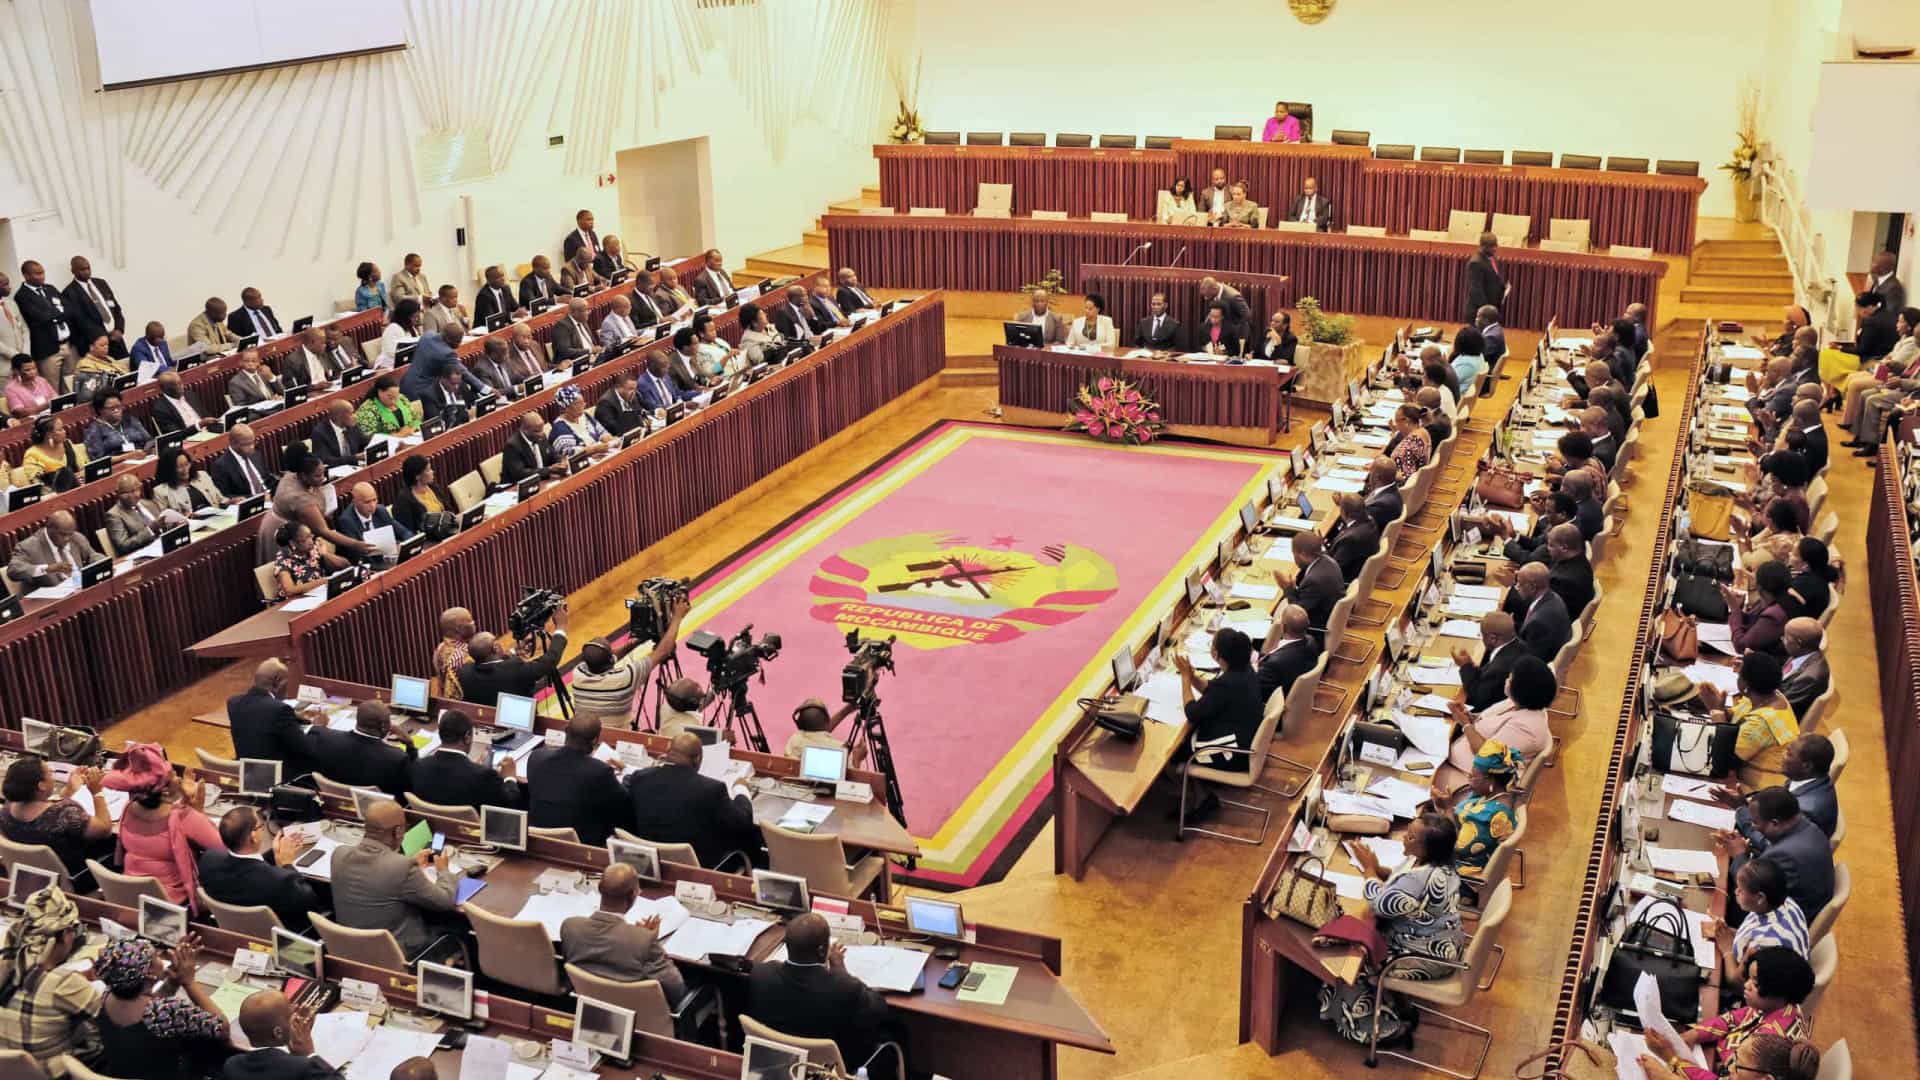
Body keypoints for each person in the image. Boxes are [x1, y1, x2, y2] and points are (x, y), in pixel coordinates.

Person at [1320, 813, 1467, 1046]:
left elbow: (1378, 903)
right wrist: (1378, 869)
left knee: (1352, 961)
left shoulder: (1418, 881)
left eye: (1411, 837)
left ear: (1427, 848)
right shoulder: (1438, 864)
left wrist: (1369, 870)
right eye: (1408, 832)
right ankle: (1400, 1005)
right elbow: (1399, 881)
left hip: (1426, 957)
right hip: (1443, 942)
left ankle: (1377, 1029)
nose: (1404, 838)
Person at [746, 913, 896, 1074]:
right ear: (822, 951)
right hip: (831, 1071)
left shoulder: (760, 975)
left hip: (778, 1067)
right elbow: (879, 1009)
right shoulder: (844, 987)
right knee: (895, 1032)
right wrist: (841, 971)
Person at [1642, 947, 1814, 1080]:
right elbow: (1733, 1018)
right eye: (1748, 978)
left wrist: (1673, 1061)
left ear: (1779, 992)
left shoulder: (1769, 1041)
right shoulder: (1779, 1007)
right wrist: (1694, 1035)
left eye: (1755, 983)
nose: (1746, 985)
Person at [331, 799, 458, 960]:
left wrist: (409, 863)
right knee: (459, 930)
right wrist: (444, 870)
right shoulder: (402, 867)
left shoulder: (339, 854)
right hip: (399, 954)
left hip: (350, 950)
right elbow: (445, 901)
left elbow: (379, 873)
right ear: (398, 831)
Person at [94, 936, 231, 1080]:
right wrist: (189, 982)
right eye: (156, 957)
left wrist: (173, 982)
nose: (161, 959)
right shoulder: (164, 1010)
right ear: (149, 974)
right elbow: (222, 1029)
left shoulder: (107, 995)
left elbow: (155, 1006)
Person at [107, 745, 224, 909]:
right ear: (165, 791)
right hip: (171, 905)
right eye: (174, 775)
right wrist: (198, 810)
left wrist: (186, 803)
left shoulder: (128, 808)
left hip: (131, 897)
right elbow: (225, 848)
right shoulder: (183, 817)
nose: (179, 778)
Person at [0, 885, 101, 1066]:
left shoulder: (9, 963)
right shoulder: (64, 983)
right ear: (66, 934)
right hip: (51, 1072)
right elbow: (110, 1018)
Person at [625, 732, 760, 867]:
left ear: (668, 752)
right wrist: (741, 789)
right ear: (698, 759)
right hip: (698, 868)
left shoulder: (640, 777)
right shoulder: (713, 789)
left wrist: (653, 769)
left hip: (648, 863)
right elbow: (744, 822)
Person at [559, 863, 686, 1002]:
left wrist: (641, 937)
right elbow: (677, 990)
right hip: (636, 1010)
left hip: (587, 1004)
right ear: (632, 895)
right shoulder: (644, 941)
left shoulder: (570, 927)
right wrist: (653, 942)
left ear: (599, 888)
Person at [1171, 628, 1263, 818]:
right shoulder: (1246, 671)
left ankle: (1197, 800)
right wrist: (1191, 675)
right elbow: (1212, 690)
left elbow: (1192, 712)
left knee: (1174, 752)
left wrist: (1185, 679)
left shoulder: (1227, 683)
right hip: (1246, 740)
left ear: (1217, 655)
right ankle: (1201, 793)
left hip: (1233, 754)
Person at [1432, 655, 1555, 796]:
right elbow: (1491, 719)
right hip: (1453, 759)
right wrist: (1472, 717)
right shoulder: (1520, 702)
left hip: (1469, 781)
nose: (1506, 680)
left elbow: (1486, 755)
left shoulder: (1527, 728)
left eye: (1510, 679)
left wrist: (1465, 724)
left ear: (1522, 690)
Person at [198, 807, 321, 934]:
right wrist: (286, 864)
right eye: (260, 826)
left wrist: (274, 853)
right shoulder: (281, 881)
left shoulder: (208, 860)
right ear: (253, 836)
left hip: (237, 934)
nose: (262, 829)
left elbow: (249, 867)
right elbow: (309, 902)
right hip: (283, 937)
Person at [573, 596, 689, 728]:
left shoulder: (578, 673)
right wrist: (677, 618)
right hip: (618, 737)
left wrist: (636, 642)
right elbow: (663, 651)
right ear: (611, 659)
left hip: (587, 731)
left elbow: (607, 656)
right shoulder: (625, 678)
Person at [257, 444, 373, 565]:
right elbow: (325, 532)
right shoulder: (301, 501)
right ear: (303, 476)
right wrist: (357, 544)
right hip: (282, 533)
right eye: (318, 476)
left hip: (296, 527)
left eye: (323, 473)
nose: (323, 478)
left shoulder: (295, 473)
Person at [526, 715, 632, 846]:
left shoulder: (536, 757)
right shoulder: (600, 771)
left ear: (566, 731)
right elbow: (625, 799)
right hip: (584, 846)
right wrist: (626, 771)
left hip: (538, 841)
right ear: (595, 740)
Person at [1703, 860, 1808, 987]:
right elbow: (1753, 933)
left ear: (1760, 898)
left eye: (1741, 890)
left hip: (1763, 993)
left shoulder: (1766, 942)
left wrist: (1727, 949)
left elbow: (1736, 982)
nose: (1736, 892)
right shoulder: (1786, 903)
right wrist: (1726, 932)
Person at [1721, 733, 1839, 844]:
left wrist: (1741, 810)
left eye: (1788, 754)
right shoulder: (1809, 778)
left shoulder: (1805, 810)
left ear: (1806, 766)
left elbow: (1769, 844)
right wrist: (1747, 805)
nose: (1782, 756)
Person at [1, 758, 110, 877]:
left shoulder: (7, 809)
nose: (53, 777)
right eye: (50, 773)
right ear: (42, 785)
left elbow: (50, 807)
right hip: (73, 877)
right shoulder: (65, 813)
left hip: (27, 875)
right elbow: (104, 829)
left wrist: (70, 789)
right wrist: (97, 792)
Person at [406, 709, 521, 812]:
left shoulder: (418, 766)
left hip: (431, 826)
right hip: (470, 829)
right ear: (467, 737)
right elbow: (509, 805)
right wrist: (510, 777)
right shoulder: (484, 776)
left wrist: (475, 767)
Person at [220, 989, 342, 1079]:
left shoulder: (232, 1065)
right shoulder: (303, 1067)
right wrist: (309, 1054)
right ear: (278, 1033)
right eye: (291, 1015)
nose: (295, 1015)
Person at [227, 660, 319, 777]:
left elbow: (260, 716)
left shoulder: (233, 703)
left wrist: (292, 716)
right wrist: (316, 726)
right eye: (286, 683)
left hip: (248, 774)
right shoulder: (279, 709)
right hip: (278, 777)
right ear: (278, 683)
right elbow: (304, 747)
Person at [456, 613, 569, 707]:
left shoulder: (465, 672)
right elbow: (550, 659)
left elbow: (494, 665)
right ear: (495, 647)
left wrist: (514, 651)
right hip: (518, 722)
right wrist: (561, 627)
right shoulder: (515, 668)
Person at [1452, 741, 1522, 888]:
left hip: (1463, 876)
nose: (1469, 781)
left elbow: (1457, 848)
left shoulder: (1489, 816)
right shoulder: (1496, 795)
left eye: (1473, 777)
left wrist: (1446, 809)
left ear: (1490, 780)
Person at [7, 510, 101, 588]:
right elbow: (13, 569)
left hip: (79, 590)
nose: (67, 539)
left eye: (70, 534)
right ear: (49, 528)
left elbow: (92, 555)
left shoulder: (75, 537)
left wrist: (103, 563)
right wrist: (48, 568)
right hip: (48, 599)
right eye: (63, 534)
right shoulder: (29, 546)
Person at [13, 260, 73, 382]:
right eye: (37, 274)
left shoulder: (50, 289)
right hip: (47, 350)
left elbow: (69, 309)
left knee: (71, 382)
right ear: (26, 276)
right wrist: (59, 312)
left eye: (42, 272)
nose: (42, 276)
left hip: (66, 344)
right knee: (53, 386)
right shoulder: (22, 296)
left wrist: (54, 315)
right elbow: (41, 317)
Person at [1453, 611, 1522, 712]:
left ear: (1492, 638)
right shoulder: (1518, 645)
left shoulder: (1499, 668)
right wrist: (1471, 665)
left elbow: (1477, 697)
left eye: (1482, 635)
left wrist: (1465, 666)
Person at [1274, 529, 1342, 631]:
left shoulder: (1314, 581)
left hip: (1315, 626)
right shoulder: (1328, 560)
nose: (1294, 558)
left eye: (1294, 554)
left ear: (1303, 555)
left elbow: (1296, 614)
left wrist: (1287, 588)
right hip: (1324, 612)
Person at [1504, 561, 1572, 662]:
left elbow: (1526, 661)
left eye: (1519, 584)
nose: (1517, 588)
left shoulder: (1539, 622)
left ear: (1532, 587)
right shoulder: (1552, 597)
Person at [1725, 561, 1793, 658]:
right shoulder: (1781, 600)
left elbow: (1741, 645)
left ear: (1760, 587)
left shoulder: (1774, 615)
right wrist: (1738, 606)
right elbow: (1752, 622)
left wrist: (1734, 609)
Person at [105, 473, 186, 554]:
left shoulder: (147, 503)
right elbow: (123, 546)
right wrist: (150, 529)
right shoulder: (114, 515)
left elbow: (163, 524)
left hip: (168, 544)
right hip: (146, 553)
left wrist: (176, 524)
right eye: (132, 491)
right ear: (121, 494)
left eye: (137, 489)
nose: (137, 494)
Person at [1255, 604, 1320, 704]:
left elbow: (1258, 691)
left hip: (1273, 702)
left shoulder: (1272, 664)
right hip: (1294, 691)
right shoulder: (1311, 641)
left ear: (1284, 627)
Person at [62, 256, 125, 359]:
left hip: (116, 338)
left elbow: (116, 308)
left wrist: (119, 329)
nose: (86, 272)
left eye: (88, 268)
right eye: (82, 269)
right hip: (95, 345)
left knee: (124, 366)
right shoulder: (69, 293)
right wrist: (104, 337)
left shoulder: (101, 283)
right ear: (73, 271)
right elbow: (81, 321)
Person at [786, 692, 869, 766]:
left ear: (800, 723)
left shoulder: (794, 741)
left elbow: (819, 732)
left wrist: (846, 710)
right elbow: (854, 778)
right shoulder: (840, 751)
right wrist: (857, 759)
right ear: (826, 721)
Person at [1773, 618, 1830, 720]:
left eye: (1785, 637)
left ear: (1798, 644)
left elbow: (1778, 709)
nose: (1782, 639)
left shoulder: (1809, 678)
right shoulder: (1803, 653)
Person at [393, 454, 455, 538]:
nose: (432, 472)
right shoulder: (403, 500)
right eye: (428, 470)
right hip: (428, 540)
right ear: (417, 476)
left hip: (447, 531)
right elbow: (408, 532)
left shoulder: (433, 487)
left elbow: (449, 510)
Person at [1325, 492, 1379, 581]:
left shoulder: (1350, 539)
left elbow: (1334, 567)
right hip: (1360, 567)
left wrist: (1320, 551)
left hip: (1346, 578)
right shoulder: (1370, 520)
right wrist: (1342, 504)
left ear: (1343, 512)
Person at [1545, 521, 1595, 617]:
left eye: (1551, 545)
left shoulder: (1564, 581)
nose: (1548, 548)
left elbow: (1543, 608)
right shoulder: (1580, 559)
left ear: (1564, 548)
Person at [154, 447, 223, 515]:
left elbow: (220, 499)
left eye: (187, 464)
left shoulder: (202, 475)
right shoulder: (160, 492)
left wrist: (227, 502)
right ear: (168, 469)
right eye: (179, 467)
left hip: (217, 517)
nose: (185, 469)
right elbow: (166, 520)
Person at [500, 411, 563, 484]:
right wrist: (549, 470)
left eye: (541, 430)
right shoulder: (512, 446)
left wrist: (561, 461)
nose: (541, 434)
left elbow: (552, 454)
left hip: (542, 481)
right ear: (524, 430)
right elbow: (520, 473)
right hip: (518, 486)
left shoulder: (542, 437)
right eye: (536, 431)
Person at [309, 400, 369, 469]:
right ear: (339, 416)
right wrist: (355, 457)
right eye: (351, 413)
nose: (355, 416)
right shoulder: (319, 433)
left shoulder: (352, 427)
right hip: (335, 470)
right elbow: (326, 460)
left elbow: (365, 443)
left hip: (356, 467)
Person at [355, 374, 420, 437]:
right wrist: (397, 435)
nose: (394, 401)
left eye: (396, 395)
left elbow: (416, 419)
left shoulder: (401, 398)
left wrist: (412, 429)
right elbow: (370, 437)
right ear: (380, 392)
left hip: (411, 436)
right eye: (390, 397)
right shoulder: (367, 410)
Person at [1463, 232, 1507, 323]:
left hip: (1491, 307)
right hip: (1481, 312)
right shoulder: (1476, 263)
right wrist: (1487, 310)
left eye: (1495, 246)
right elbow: (1476, 289)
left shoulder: (1491, 258)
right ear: (1483, 247)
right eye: (1491, 247)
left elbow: (1494, 277)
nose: (1495, 249)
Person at [282, 328, 341, 392]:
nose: (325, 345)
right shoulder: (292, 360)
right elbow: (293, 388)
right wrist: (315, 387)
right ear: (312, 342)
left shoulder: (323, 353)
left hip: (330, 389)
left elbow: (334, 373)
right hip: (311, 393)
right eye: (322, 343)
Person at [5, 352, 54, 419]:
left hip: (50, 416)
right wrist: (47, 405)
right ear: (17, 371)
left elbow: (56, 398)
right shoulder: (11, 389)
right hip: (30, 421)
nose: (33, 372)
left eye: (34, 368)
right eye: (28, 370)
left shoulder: (41, 380)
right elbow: (21, 412)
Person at [1388, 403, 1431, 480]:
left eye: (1396, 421)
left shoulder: (1411, 443)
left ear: (1406, 421)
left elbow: (1406, 476)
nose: (1396, 425)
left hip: (1399, 485)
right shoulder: (1422, 431)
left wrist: (1383, 471)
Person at [376, 298, 422, 368]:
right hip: (388, 366)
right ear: (406, 316)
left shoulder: (411, 329)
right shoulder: (392, 328)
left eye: (417, 316)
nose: (417, 319)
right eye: (414, 317)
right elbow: (391, 352)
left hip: (407, 364)